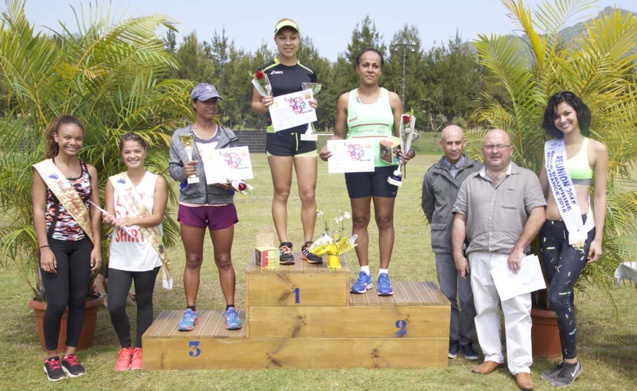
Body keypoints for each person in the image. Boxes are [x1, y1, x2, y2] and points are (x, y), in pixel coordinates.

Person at [452, 129, 546, 391]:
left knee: (518, 312)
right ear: (482, 151)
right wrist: (459, 254)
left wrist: (519, 248)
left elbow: (538, 214)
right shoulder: (471, 182)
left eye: (500, 146)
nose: (494, 151)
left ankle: (521, 367)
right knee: (484, 309)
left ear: (510, 150)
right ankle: (492, 356)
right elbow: (460, 218)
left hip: (512, 258)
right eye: (489, 146)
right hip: (479, 254)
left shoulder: (526, 179)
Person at [319, 48, 414, 296]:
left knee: (384, 219)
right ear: (357, 68)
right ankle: (364, 273)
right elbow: (339, 135)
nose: (370, 69)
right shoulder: (345, 99)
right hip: (355, 166)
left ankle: (384, 275)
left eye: (375, 65)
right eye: (365, 65)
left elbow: (403, 137)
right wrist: (328, 148)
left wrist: (407, 151)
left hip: (386, 167)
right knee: (360, 220)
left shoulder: (392, 99)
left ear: (381, 70)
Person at [538, 91, 608, 387]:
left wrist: (599, 239)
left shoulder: (596, 149)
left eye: (567, 112)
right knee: (562, 297)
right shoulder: (550, 149)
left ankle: (571, 363)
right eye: (557, 115)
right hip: (549, 229)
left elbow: (601, 195)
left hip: (579, 230)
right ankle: (568, 362)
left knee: (556, 295)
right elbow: (539, 189)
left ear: (578, 112)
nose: (562, 119)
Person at [32, 115, 101, 381]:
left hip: (82, 243)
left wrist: (96, 246)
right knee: (58, 302)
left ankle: (70, 354)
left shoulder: (89, 170)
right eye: (68, 137)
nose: (73, 142)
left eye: (78, 138)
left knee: (77, 301)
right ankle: (51, 357)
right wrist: (44, 247)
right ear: (56, 138)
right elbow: (38, 210)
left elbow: (94, 209)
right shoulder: (43, 169)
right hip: (55, 243)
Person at [169, 83, 242, 332]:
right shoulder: (180, 136)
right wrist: (182, 172)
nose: (211, 105)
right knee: (192, 259)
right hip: (192, 203)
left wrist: (231, 181)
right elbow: (173, 168)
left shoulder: (228, 136)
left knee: (224, 259)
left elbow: (239, 175)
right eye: (206, 101)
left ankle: (231, 309)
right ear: (194, 104)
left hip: (222, 203)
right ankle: (190, 310)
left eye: (214, 101)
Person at [251, 18, 322, 265]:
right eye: (283, 38)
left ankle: (308, 244)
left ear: (299, 39)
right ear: (276, 40)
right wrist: (264, 104)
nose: (288, 42)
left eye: (292, 37)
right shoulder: (265, 72)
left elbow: (312, 100)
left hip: (305, 137)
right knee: (281, 192)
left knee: (308, 193)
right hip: (278, 137)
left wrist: (314, 104)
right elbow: (255, 105)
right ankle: (284, 245)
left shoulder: (308, 71)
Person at [103, 133, 169, 371]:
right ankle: (125, 347)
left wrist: (129, 219)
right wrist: (109, 219)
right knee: (116, 305)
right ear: (122, 154)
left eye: (137, 151)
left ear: (145, 152)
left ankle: (139, 348)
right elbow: (109, 214)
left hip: (147, 250)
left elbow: (157, 217)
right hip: (121, 252)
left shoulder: (157, 181)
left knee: (144, 302)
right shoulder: (114, 181)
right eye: (127, 151)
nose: (132, 155)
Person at [422, 125, 481, 360]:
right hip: (443, 244)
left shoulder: (477, 170)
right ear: (442, 144)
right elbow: (429, 207)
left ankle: (468, 340)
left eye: (458, 142)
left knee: (467, 296)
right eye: (449, 143)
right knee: (447, 294)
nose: (454, 147)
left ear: (464, 143)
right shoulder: (432, 173)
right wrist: (442, 225)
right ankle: (453, 338)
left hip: (471, 243)